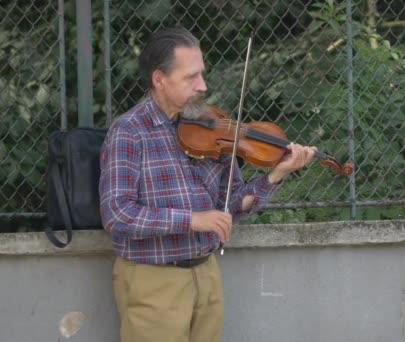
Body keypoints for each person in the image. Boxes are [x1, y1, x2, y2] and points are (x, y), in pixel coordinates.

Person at [99, 27, 316, 342]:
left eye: (201, 74)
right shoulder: (130, 132)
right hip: (153, 278)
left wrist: (276, 175)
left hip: (206, 272)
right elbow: (117, 215)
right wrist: (192, 220)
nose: (203, 85)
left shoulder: (213, 125)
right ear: (159, 79)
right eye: (190, 78)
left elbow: (232, 204)